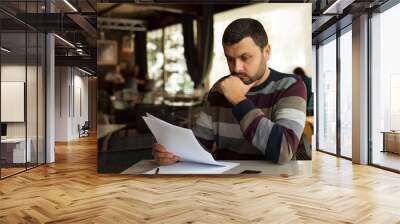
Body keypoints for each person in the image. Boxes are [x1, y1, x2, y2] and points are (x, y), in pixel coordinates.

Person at [152, 18, 307, 165]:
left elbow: (284, 151)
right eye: (230, 59)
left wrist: (238, 100)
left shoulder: (291, 87)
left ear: (266, 52)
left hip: (277, 186)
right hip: (226, 184)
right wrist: (173, 153)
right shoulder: (219, 90)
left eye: (245, 58)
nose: (236, 68)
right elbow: (200, 146)